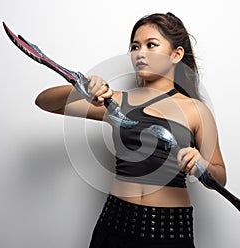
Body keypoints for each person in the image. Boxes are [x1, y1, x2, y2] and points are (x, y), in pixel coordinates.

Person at [35, 12, 226, 248]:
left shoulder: (196, 110)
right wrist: (84, 87)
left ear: (176, 54)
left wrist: (201, 163)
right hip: (115, 222)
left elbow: (220, 177)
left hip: (170, 230)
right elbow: (44, 101)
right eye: (135, 47)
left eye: (151, 45)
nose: (140, 53)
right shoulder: (116, 102)